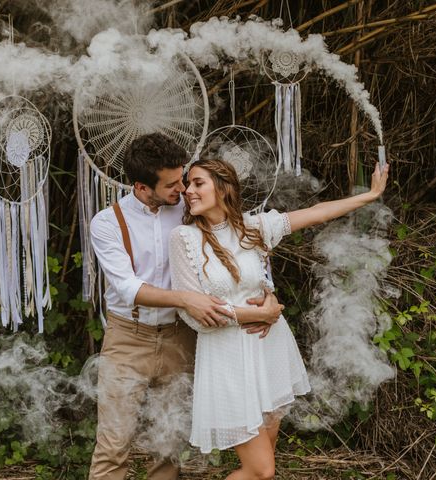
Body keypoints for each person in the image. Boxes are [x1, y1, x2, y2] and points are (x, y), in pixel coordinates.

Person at [169, 157, 390, 480]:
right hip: (227, 358)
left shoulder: (253, 227)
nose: (188, 190)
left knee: (264, 461)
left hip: (269, 349)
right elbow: (195, 314)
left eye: (197, 183)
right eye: (188, 184)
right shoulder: (184, 239)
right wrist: (258, 313)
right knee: (261, 470)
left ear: (223, 187)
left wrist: (368, 196)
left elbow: (316, 213)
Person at [88, 133, 282, 480]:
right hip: (128, 339)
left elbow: (241, 240)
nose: (182, 188)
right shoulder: (107, 223)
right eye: (172, 184)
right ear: (142, 187)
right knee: (114, 444)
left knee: (168, 444)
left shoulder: (192, 207)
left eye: (183, 179)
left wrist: (267, 291)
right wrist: (186, 298)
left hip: (182, 337)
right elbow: (129, 287)